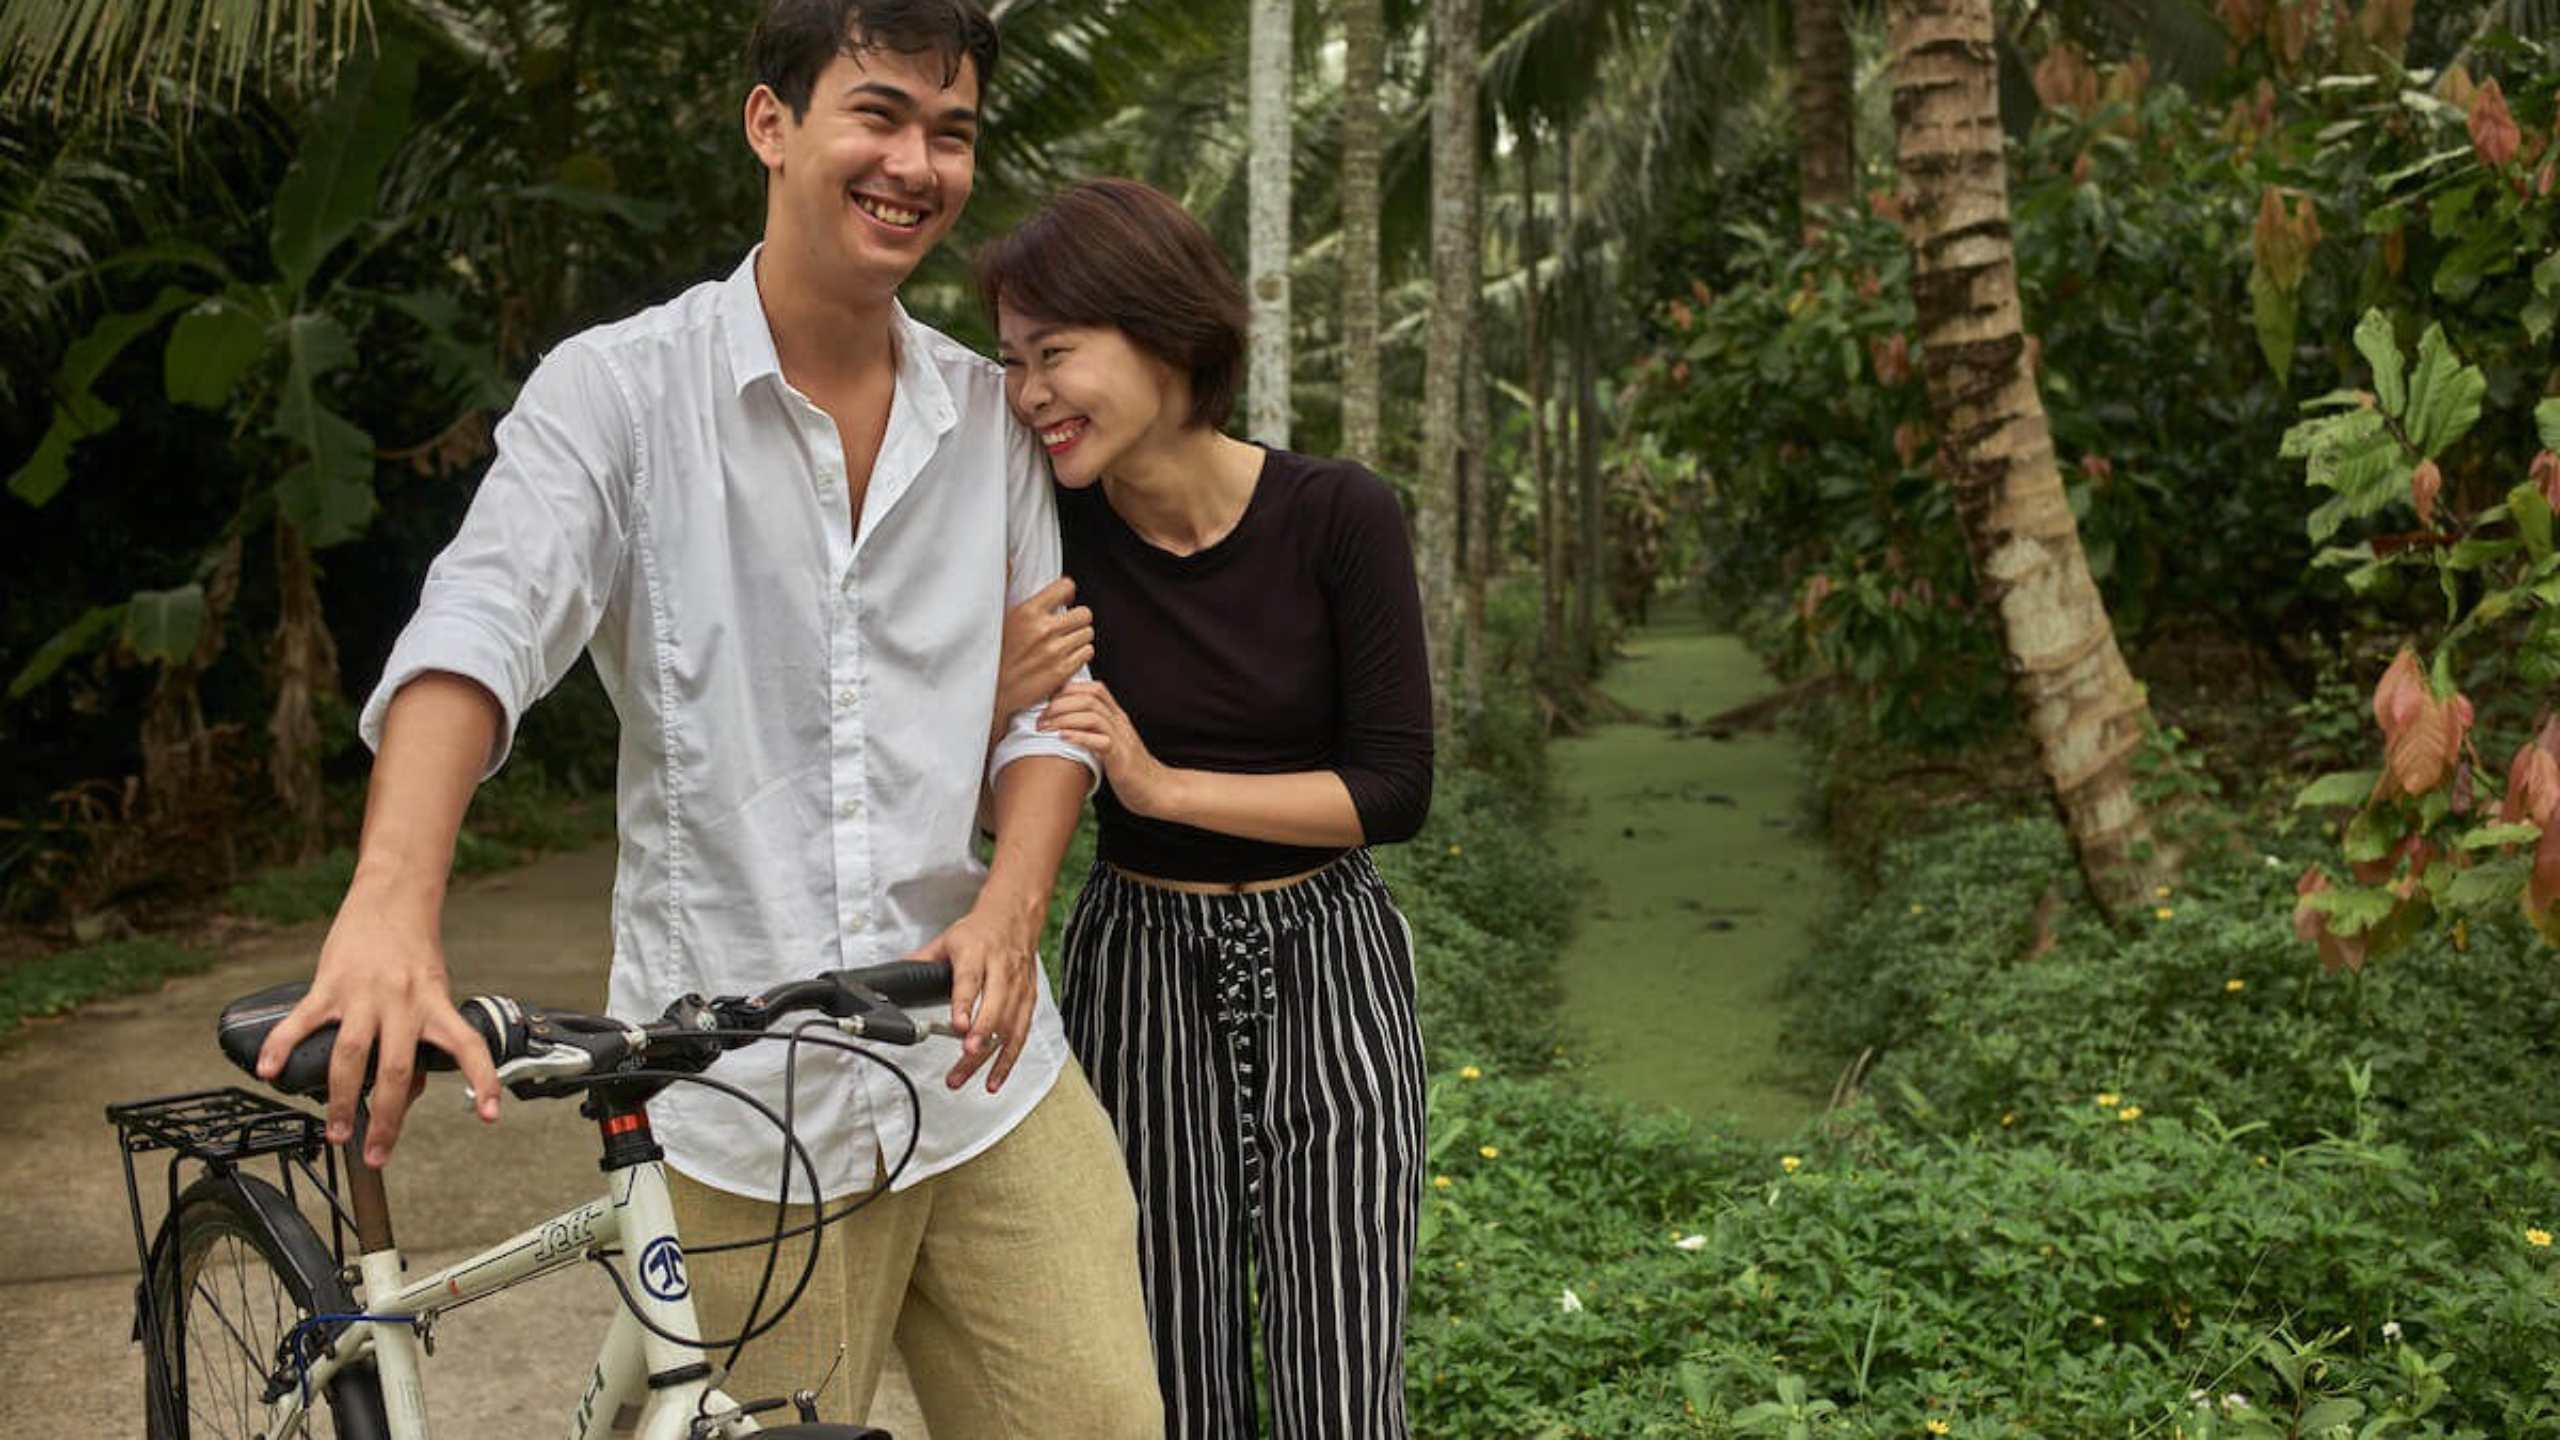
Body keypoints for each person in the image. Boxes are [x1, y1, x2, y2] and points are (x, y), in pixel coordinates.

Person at [253, 4, 1164, 1433]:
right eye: (877, 114)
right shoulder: (618, 396)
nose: (915, 163)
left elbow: (1050, 709)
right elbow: (481, 623)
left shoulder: (992, 422)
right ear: (772, 123)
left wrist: (1011, 910)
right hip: (746, 1101)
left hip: (984, 1075)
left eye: (952, 132)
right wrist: (388, 903)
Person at [981, 177, 1436, 1439]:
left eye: (1055, 354)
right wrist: (991, 706)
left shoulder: (1337, 515)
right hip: (1138, 962)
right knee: (1166, 1370)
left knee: (1341, 1372)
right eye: (1013, 363)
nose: (1029, 396)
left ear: (1167, 335)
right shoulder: (1047, 532)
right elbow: (989, 792)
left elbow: (1393, 790)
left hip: (1330, 955)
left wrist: (1161, 784)